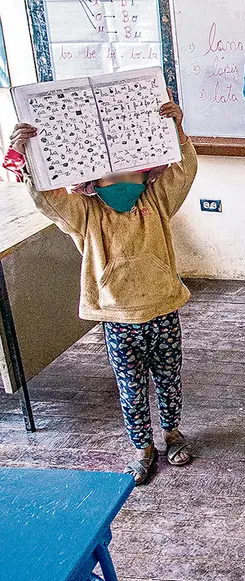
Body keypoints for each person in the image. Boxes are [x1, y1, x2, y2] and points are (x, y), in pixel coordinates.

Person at [10, 103, 197, 485]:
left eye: (130, 170)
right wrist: (28, 158)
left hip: (162, 309)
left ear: (145, 172)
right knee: (129, 388)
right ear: (92, 180)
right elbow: (48, 199)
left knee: (169, 378)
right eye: (110, 174)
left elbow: (185, 170)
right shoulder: (85, 213)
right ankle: (142, 448)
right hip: (117, 319)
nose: (121, 179)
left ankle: (172, 433)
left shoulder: (155, 200)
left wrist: (177, 130)